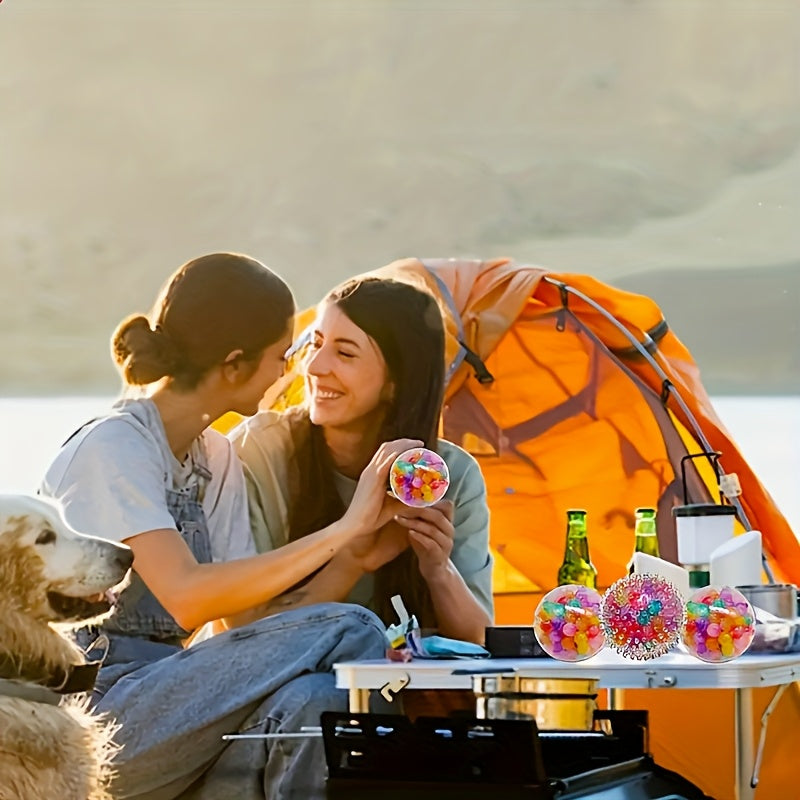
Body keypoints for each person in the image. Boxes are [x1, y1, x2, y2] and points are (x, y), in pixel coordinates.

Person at [39, 253, 419, 800]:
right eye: (282, 356)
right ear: (235, 364)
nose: (289, 372)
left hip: (174, 709)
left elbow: (248, 626)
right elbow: (187, 599)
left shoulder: (214, 456)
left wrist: (355, 557)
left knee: (314, 701)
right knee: (355, 627)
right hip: (89, 719)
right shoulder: (114, 447)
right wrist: (343, 528)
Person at [232, 276, 494, 644]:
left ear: (396, 382)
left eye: (345, 353)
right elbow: (241, 636)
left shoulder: (451, 476)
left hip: (396, 688)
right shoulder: (259, 452)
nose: (315, 367)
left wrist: (438, 570)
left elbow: (479, 641)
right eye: (316, 344)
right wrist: (352, 559)